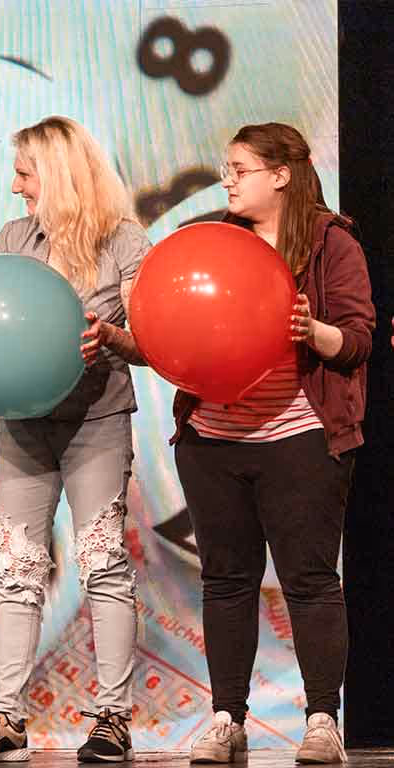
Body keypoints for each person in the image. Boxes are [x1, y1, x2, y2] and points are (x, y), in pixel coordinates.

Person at [0, 116, 150, 764]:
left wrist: (112, 339)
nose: (15, 188)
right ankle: (6, 720)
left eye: (25, 174)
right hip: (24, 428)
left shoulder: (124, 241)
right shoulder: (15, 237)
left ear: (58, 176)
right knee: (18, 569)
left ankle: (112, 719)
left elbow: (153, 341)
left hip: (96, 424)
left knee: (103, 566)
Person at [176, 123, 374, 766]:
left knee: (311, 581)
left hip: (299, 440)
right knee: (227, 581)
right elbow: (182, 337)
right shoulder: (211, 242)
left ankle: (322, 720)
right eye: (226, 169)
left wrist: (309, 328)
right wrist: (130, 338)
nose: (227, 180)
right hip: (214, 441)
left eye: (239, 169)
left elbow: (357, 339)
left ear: (281, 174)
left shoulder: (330, 242)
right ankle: (226, 718)